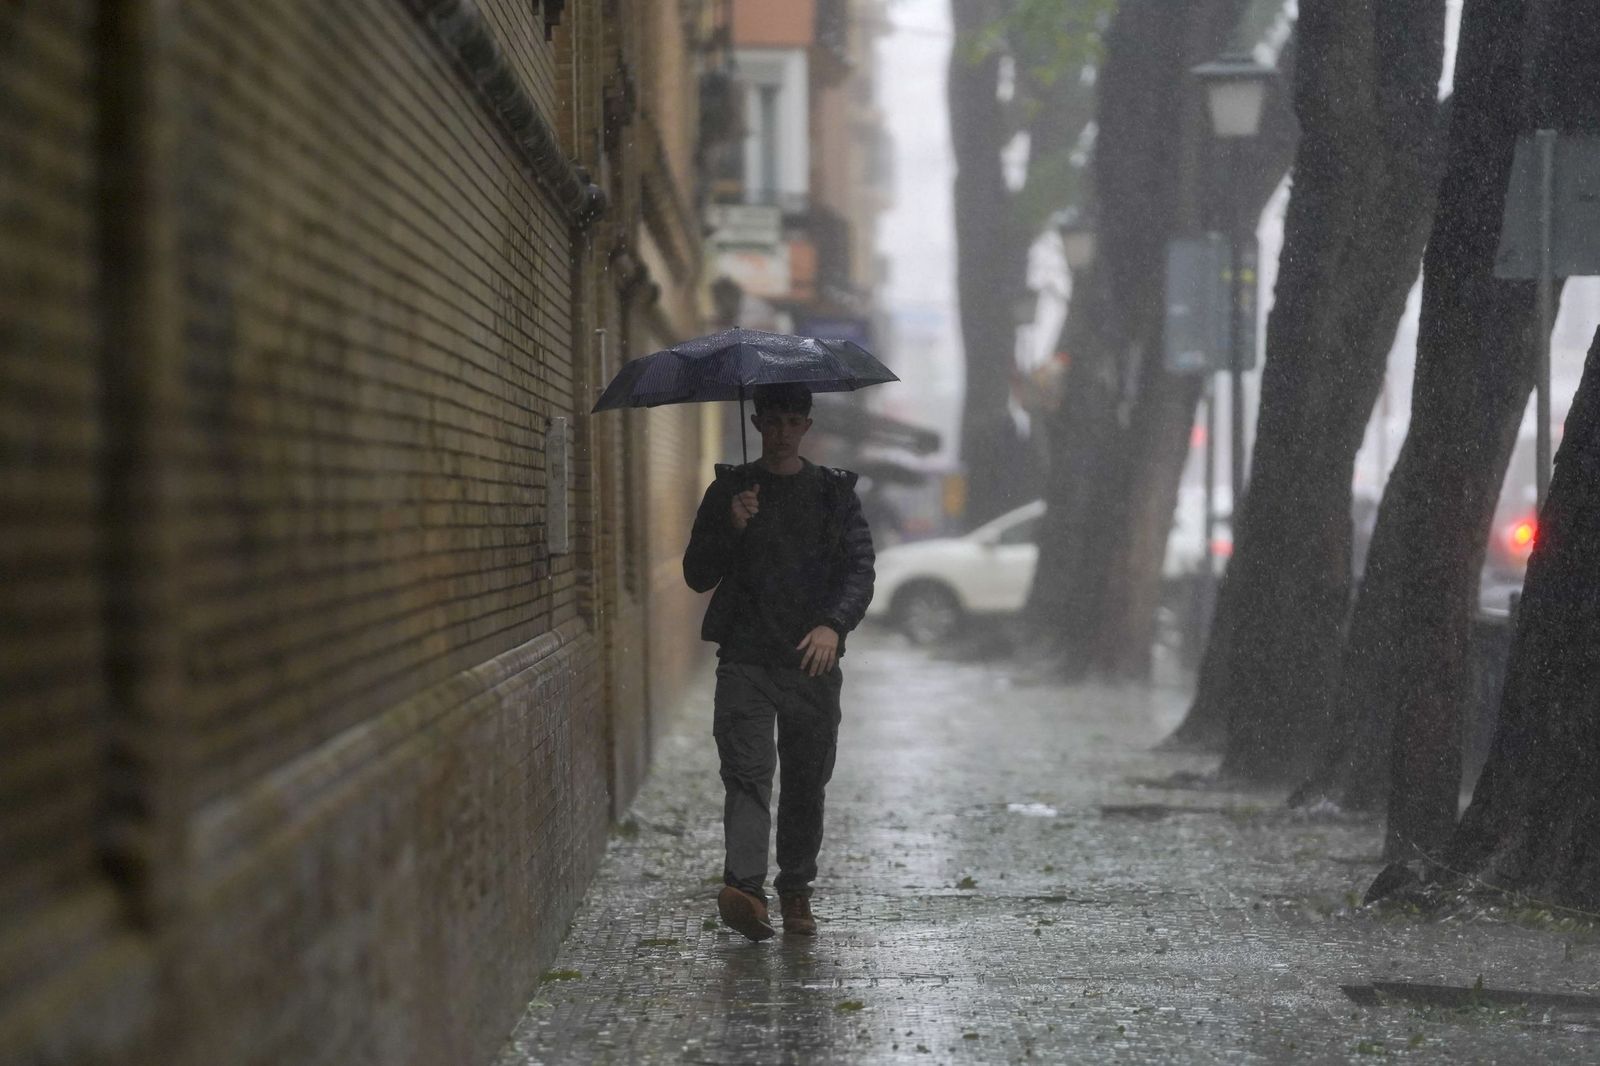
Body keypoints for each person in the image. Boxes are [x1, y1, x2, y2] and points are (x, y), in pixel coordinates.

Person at [682, 383, 875, 941]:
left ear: (807, 427)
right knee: (746, 776)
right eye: (773, 419)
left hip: (810, 666)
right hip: (744, 659)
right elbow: (698, 573)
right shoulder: (731, 491)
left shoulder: (835, 495)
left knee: (805, 783)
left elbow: (859, 571)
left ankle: (795, 891)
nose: (782, 430)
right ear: (758, 421)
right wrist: (731, 526)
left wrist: (833, 625)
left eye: (793, 420)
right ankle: (745, 891)